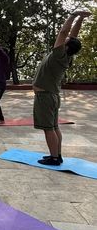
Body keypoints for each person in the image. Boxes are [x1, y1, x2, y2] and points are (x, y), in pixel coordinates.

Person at [33, 10, 91, 165]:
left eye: (65, 41)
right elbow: (73, 36)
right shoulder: (67, 55)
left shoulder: (59, 54)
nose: (64, 39)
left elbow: (64, 31)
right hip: (52, 96)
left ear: (65, 47)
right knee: (54, 126)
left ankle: (54, 158)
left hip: (45, 97)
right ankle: (57, 155)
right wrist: (80, 19)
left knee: (48, 128)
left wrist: (73, 15)